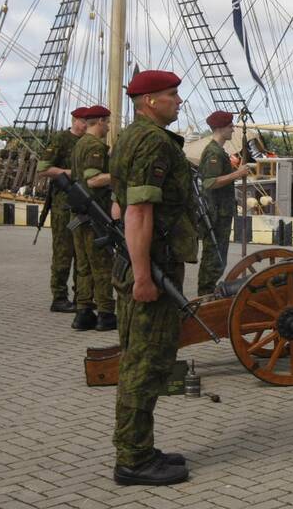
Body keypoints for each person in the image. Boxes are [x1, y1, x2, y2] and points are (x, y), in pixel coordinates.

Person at [109, 70, 197, 486]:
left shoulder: (131, 137)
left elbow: (118, 201)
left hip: (149, 263)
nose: (178, 101)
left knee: (143, 359)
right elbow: (138, 212)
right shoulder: (152, 143)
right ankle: (133, 460)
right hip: (151, 269)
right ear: (149, 102)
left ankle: (140, 447)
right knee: (144, 364)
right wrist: (143, 275)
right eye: (171, 95)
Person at [70, 104, 117, 331]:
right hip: (96, 212)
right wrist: (119, 175)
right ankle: (106, 313)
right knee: (101, 265)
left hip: (81, 213)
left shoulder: (79, 144)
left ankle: (83, 311)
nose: (108, 126)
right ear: (99, 121)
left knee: (83, 266)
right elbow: (93, 179)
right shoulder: (95, 147)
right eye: (107, 122)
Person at [36, 106, 88, 313]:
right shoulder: (61, 140)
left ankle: (81, 296)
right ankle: (59, 296)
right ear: (75, 119)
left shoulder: (87, 142)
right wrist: (71, 173)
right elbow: (44, 168)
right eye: (84, 121)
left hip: (82, 204)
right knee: (63, 252)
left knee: (81, 252)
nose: (86, 125)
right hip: (62, 205)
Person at [196, 110, 250, 295]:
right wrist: (237, 174)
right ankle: (205, 295)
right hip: (216, 214)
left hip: (222, 212)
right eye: (229, 126)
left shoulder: (219, 151)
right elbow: (209, 182)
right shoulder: (213, 152)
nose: (232, 130)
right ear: (219, 128)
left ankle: (207, 293)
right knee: (214, 258)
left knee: (219, 258)